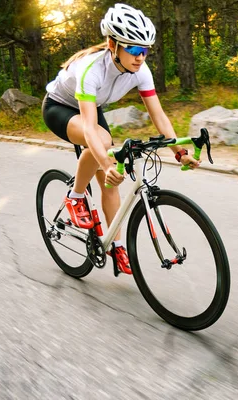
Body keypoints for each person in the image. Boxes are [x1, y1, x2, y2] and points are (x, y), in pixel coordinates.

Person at [42, 3, 200, 275]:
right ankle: (75, 196)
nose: (141, 57)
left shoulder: (141, 71)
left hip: (90, 109)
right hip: (59, 107)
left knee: (109, 182)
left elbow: (159, 116)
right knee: (103, 144)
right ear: (113, 45)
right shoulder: (90, 69)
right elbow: (90, 130)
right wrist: (104, 161)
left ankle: (115, 246)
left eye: (146, 50)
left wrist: (178, 150)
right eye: (135, 50)